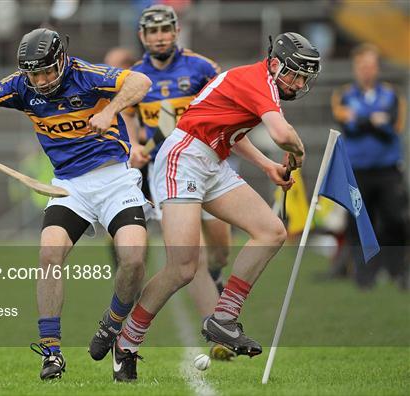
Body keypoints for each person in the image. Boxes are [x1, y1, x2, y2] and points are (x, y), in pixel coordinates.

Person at [0, 28, 152, 380]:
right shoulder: (20, 86)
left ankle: (112, 324)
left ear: (61, 60)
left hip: (115, 180)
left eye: (46, 71)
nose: (40, 80)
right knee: (48, 255)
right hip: (68, 187)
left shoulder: (87, 76)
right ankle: (51, 352)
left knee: (133, 259)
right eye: (33, 73)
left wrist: (110, 111)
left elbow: (140, 82)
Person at [112, 32, 321, 381]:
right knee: (183, 267)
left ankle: (223, 317)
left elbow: (232, 134)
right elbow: (283, 135)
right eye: (293, 73)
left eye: (303, 78)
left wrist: (267, 166)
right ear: (274, 64)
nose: (297, 83)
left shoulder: (260, 84)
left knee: (271, 231)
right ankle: (127, 342)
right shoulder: (259, 80)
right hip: (184, 157)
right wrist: (298, 151)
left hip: (212, 161)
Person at [118, 4, 234, 365]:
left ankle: (215, 276)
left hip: (207, 166)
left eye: (165, 30)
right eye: (152, 32)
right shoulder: (134, 76)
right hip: (165, 174)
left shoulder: (202, 68)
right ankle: (215, 329)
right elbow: (127, 120)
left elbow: (226, 106)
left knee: (220, 248)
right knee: (191, 253)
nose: (159, 37)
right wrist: (134, 147)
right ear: (142, 37)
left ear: (176, 31)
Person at [331, 43, 408, 289]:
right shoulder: (343, 94)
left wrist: (362, 120)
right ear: (355, 68)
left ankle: (398, 271)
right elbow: (347, 125)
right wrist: (373, 119)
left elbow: (393, 128)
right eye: (362, 66)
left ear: (377, 68)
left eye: (371, 65)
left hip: (387, 170)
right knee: (360, 225)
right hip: (357, 172)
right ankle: (365, 276)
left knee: (396, 219)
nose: (367, 70)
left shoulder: (392, 94)